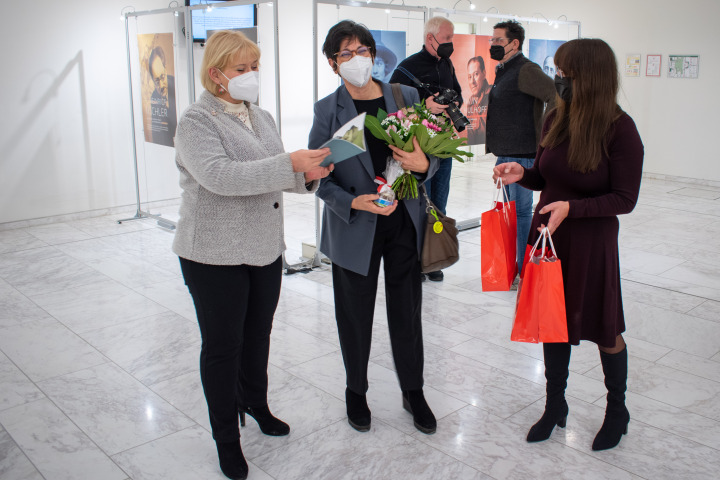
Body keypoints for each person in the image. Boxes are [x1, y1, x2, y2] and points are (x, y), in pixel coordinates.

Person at [173, 30, 332, 480]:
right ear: (216, 73)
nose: (251, 75)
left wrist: (309, 174)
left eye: (254, 66)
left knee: (258, 335)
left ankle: (255, 403)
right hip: (212, 253)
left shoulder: (260, 116)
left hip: (263, 246)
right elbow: (220, 177)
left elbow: (272, 174)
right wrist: (290, 165)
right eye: (241, 69)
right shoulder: (195, 121)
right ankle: (227, 436)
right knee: (223, 346)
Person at [493, 38, 644, 451]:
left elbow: (625, 199)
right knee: (553, 326)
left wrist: (573, 210)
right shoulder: (554, 119)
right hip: (548, 240)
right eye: (557, 71)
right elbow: (545, 177)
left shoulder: (620, 129)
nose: (558, 78)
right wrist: (519, 174)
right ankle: (554, 405)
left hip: (591, 242)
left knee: (605, 327)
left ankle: (617, 410)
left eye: (565, 73)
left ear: (590, 77)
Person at [310, 20, 439, 436]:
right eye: (346, 54)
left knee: (407, 311)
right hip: (356, 224)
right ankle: (356, 391)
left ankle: (413, 391)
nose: (357, 59)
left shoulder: (404, 96)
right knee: (354, 313)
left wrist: (425, 166)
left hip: (403, 221)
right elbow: (316, 178)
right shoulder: (327, 112)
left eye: (362, 50)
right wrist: (352, 201)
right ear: (333, 64)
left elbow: (428, 155)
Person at [389, 16, 463, 282]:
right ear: (429, 38)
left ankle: (433, 258)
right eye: (447, 40)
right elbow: (394, 108)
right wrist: (425, 106)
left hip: (443, 145)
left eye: (452, 39)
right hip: (420, 149)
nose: (450, 45)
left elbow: (458, 93)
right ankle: (416, 260)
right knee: (419, 204)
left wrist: (453, 103)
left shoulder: (447, 64)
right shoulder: (405, 69)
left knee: (439, 202)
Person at [486, 20, 555, 280]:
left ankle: (525, 269)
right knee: (512, 211)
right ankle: (516, 267)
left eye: (498, 40)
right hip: (507, 152)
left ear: (514, 44)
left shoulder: (526, 69)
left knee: (522, 212)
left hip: (523, 152)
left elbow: (554, 97)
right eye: (491, 40)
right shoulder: (505, 69)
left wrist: (546, 132)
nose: (493, 44)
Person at [148, 46, 177, 147]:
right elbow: (158, 136)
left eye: (162, 77)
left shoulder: (177, 86)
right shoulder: (154, 97)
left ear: (165, 69)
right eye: (156, 81)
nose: (160, 85)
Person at [465, 56, 492, 145]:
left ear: (484, 74)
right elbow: (471, 139)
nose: (472, 81)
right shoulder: (471, 102)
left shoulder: (494, 94)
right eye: (469, 76)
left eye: (476, 74)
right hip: (476, 154)